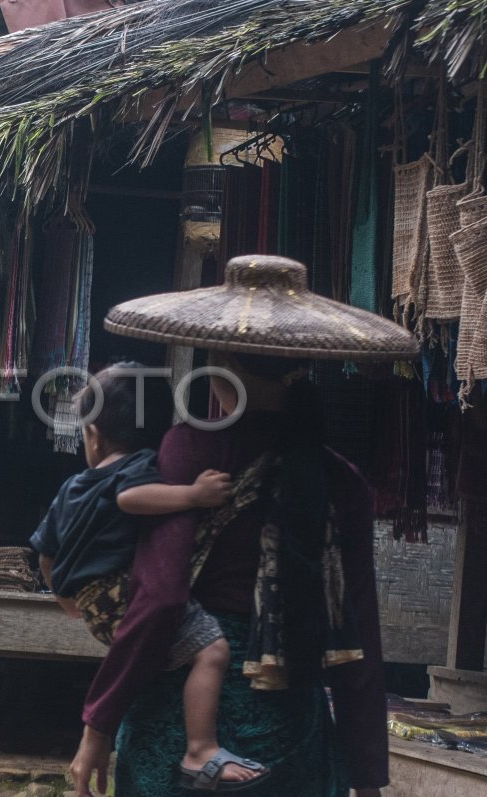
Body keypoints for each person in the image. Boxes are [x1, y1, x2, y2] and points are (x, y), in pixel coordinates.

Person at [71, 256, 400, 796]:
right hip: (290, 724)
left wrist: (99, 722)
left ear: (220, 364)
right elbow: (358, 634)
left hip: (184, 724)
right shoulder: (342, 481)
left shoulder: (192, 448)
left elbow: (159, 597)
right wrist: (366, 777)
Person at [30, 364, 258, 788]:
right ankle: (200, 749)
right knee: (212, 652)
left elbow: (46, 552)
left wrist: (64, 597)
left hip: (92, 602)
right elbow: (131, 498)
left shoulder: (72, 487)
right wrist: (192, 495)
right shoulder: (137, 469)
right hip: (124, 595)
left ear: (93, 435)